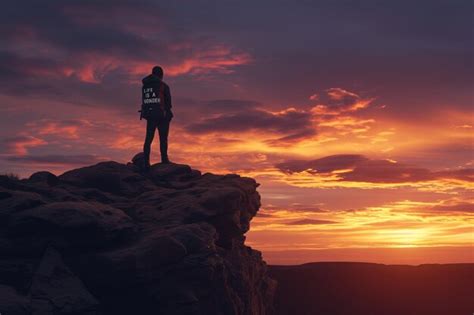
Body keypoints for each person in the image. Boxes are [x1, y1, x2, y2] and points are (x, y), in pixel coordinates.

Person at [141, 66, 173, 169]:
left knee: (148, 139)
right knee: (163, 139)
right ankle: (164, 159)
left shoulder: (145, 86)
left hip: (150, 115)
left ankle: (146, 163)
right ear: (161, 74)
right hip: (161, 116)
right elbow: (168, 103)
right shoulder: (163, 86)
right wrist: (168, 113)